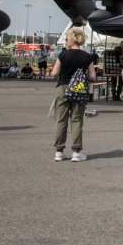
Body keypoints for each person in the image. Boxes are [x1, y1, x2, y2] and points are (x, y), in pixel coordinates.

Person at [50, 27, 96, 162]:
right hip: (79, 89)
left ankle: (59, 151)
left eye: (66, 39)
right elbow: (93, 77)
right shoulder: (87, 56)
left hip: (63, 88)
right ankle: (76, 152)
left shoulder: (63, 54)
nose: (66, 41)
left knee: (61, 120)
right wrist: (82, 75)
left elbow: (54, 73)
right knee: (77, 120)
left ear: (72, 39)